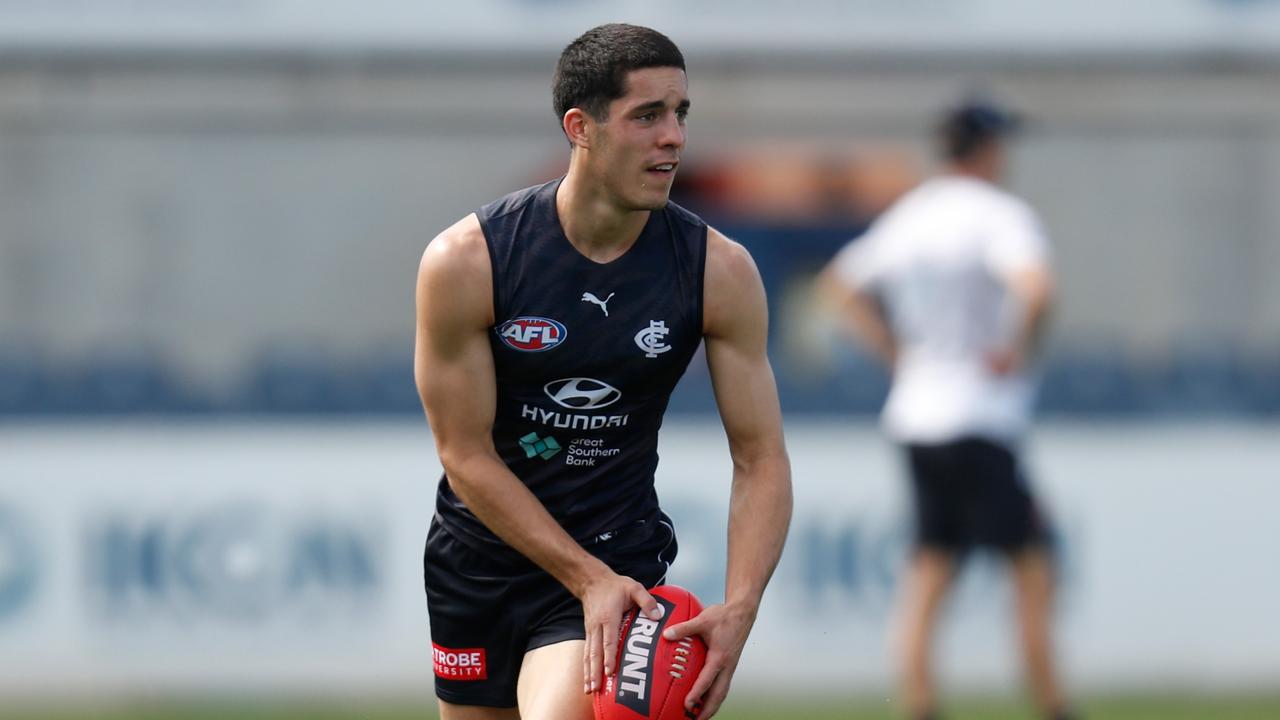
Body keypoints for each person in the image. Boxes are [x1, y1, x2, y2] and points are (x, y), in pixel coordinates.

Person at [414, 23, 792, 720]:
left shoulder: (719, 270)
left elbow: (761, 456)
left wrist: (740, 606)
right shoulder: (467, 262)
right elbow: (463, 452)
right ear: (580, 127)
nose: (674, 136)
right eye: (647, 115)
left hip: (619, 563)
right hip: (478, 562)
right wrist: (581, 576)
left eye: (680, 114)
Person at [820, 99, 1075, 720]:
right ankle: (1054, 706)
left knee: (930, 569)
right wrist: (1015, 349)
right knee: (1034, 569)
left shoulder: (913, 215)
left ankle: (918, 704)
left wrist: (894, 352)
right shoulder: (999, 216)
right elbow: (1037, 290)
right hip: (979, 417)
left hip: (917, 414)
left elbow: (839, 285)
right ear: (986, 150)